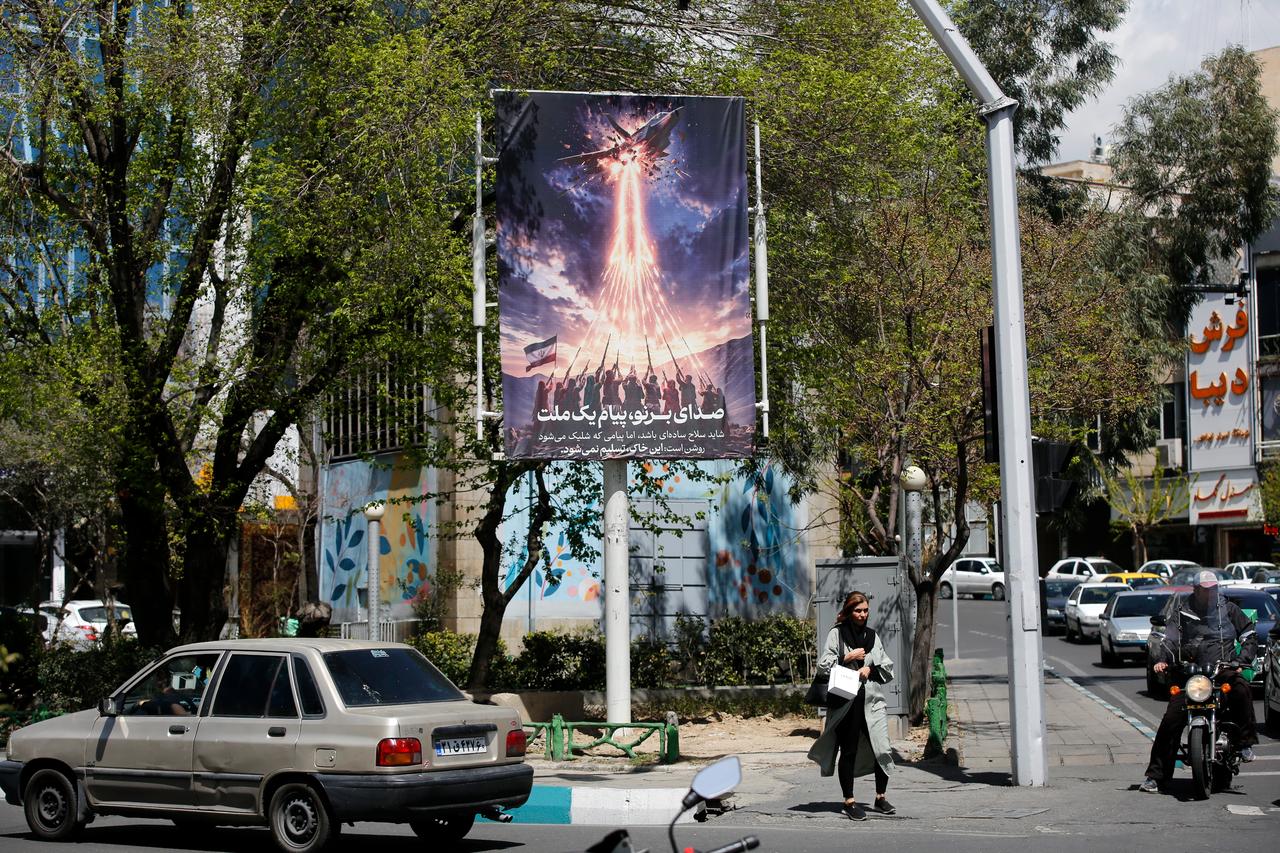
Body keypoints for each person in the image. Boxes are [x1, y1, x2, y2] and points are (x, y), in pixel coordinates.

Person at [1139, 570, 1258, 793]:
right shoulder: (1183, 612)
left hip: (1223, 669)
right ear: (1196, 589)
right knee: (1170, 720)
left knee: (1241, 688)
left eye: (1213, 588)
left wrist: (1241, 660)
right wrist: (1163, 660)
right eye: (1205, 589)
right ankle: (1155, 777)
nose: (1209, 592)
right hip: (1190, 674)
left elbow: (1248, 633)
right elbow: (1169, 640)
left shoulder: (1228, 609)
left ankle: (1244, 744)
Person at [807, 591, 895, 820]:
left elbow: (887, 667)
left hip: (872, 701)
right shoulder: (837, 634)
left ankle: (880, 797)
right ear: (848, 611)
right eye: (857, 610)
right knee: (849, 751)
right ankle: (849, 801)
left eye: (865, 610)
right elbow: (822, 666)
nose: (862, 614)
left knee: (882, 748)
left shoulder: (872, 636)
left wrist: (870, 669)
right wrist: (846, 658)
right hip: (847, 701)